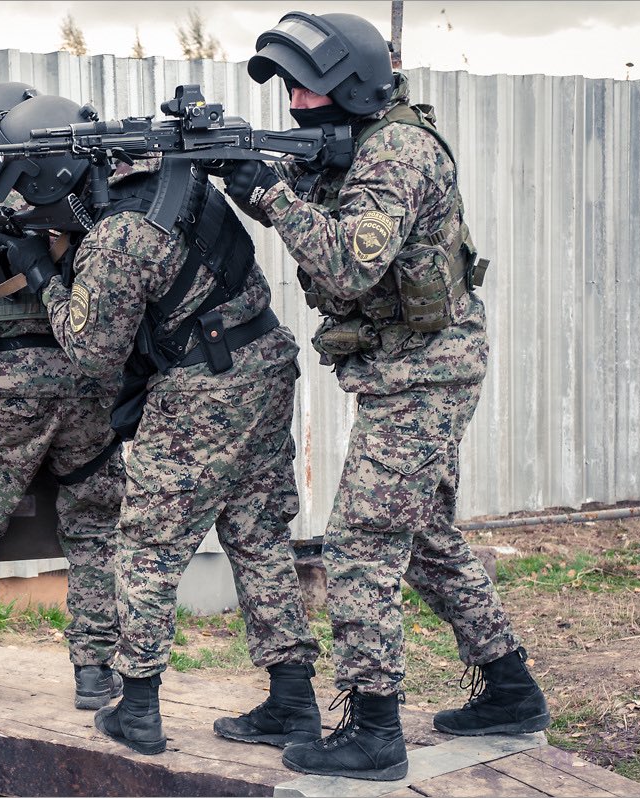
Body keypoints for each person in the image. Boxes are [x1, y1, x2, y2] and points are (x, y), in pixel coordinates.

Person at [218, 11, 550, 780]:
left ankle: (374, 731)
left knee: (361, 543)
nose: (296, 103)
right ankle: (511, 691)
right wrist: (257, 180)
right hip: (413, 368)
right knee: (426, 539)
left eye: (308, 89)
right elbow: (325, 216)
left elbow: (349, 264)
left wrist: (271, 198)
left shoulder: (395, 152)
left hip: (424, 376)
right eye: (290, 90)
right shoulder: (358, 144)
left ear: (354, 87)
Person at [0, 94, 322, 755]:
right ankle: (294, 701)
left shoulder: (116, 238)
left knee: (146, 549)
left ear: (50, 182)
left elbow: (93, 352)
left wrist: (42, 275)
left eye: (25, 189)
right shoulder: (171, 170)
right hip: (264, 363)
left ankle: (137, 708)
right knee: (257, 536)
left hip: (202, 391)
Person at [0, 84, 126, 710]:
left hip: (7, 377)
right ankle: (94, 672)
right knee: (94, 530)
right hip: (88, 374)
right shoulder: (94, 173)